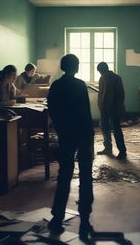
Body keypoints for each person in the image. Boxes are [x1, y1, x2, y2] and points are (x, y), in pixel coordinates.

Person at [47, 54, 94, 241]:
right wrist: (90, 138)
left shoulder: (57, 85)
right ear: (76, 67)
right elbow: (86, 112)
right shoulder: (80, 85)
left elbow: (52, 109)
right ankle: (85, 218)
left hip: (66, 136)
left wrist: (60, 130)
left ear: (62, 67)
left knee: (64, 175)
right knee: (85, 176)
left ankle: (57, 218)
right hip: (82, 134)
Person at [97, 62, 127, 160]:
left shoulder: (116, 78)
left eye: (101, 71)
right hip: (104, 108)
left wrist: (116, 107)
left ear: (106, 69)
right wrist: (100, 105)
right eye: (100, 72)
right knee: (104, 128)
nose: (101, 74)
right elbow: (100, 93)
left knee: (116, 130)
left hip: (114, 108)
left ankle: (122, 151)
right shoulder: (102, 78)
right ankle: (108, 148)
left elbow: (121, 95)